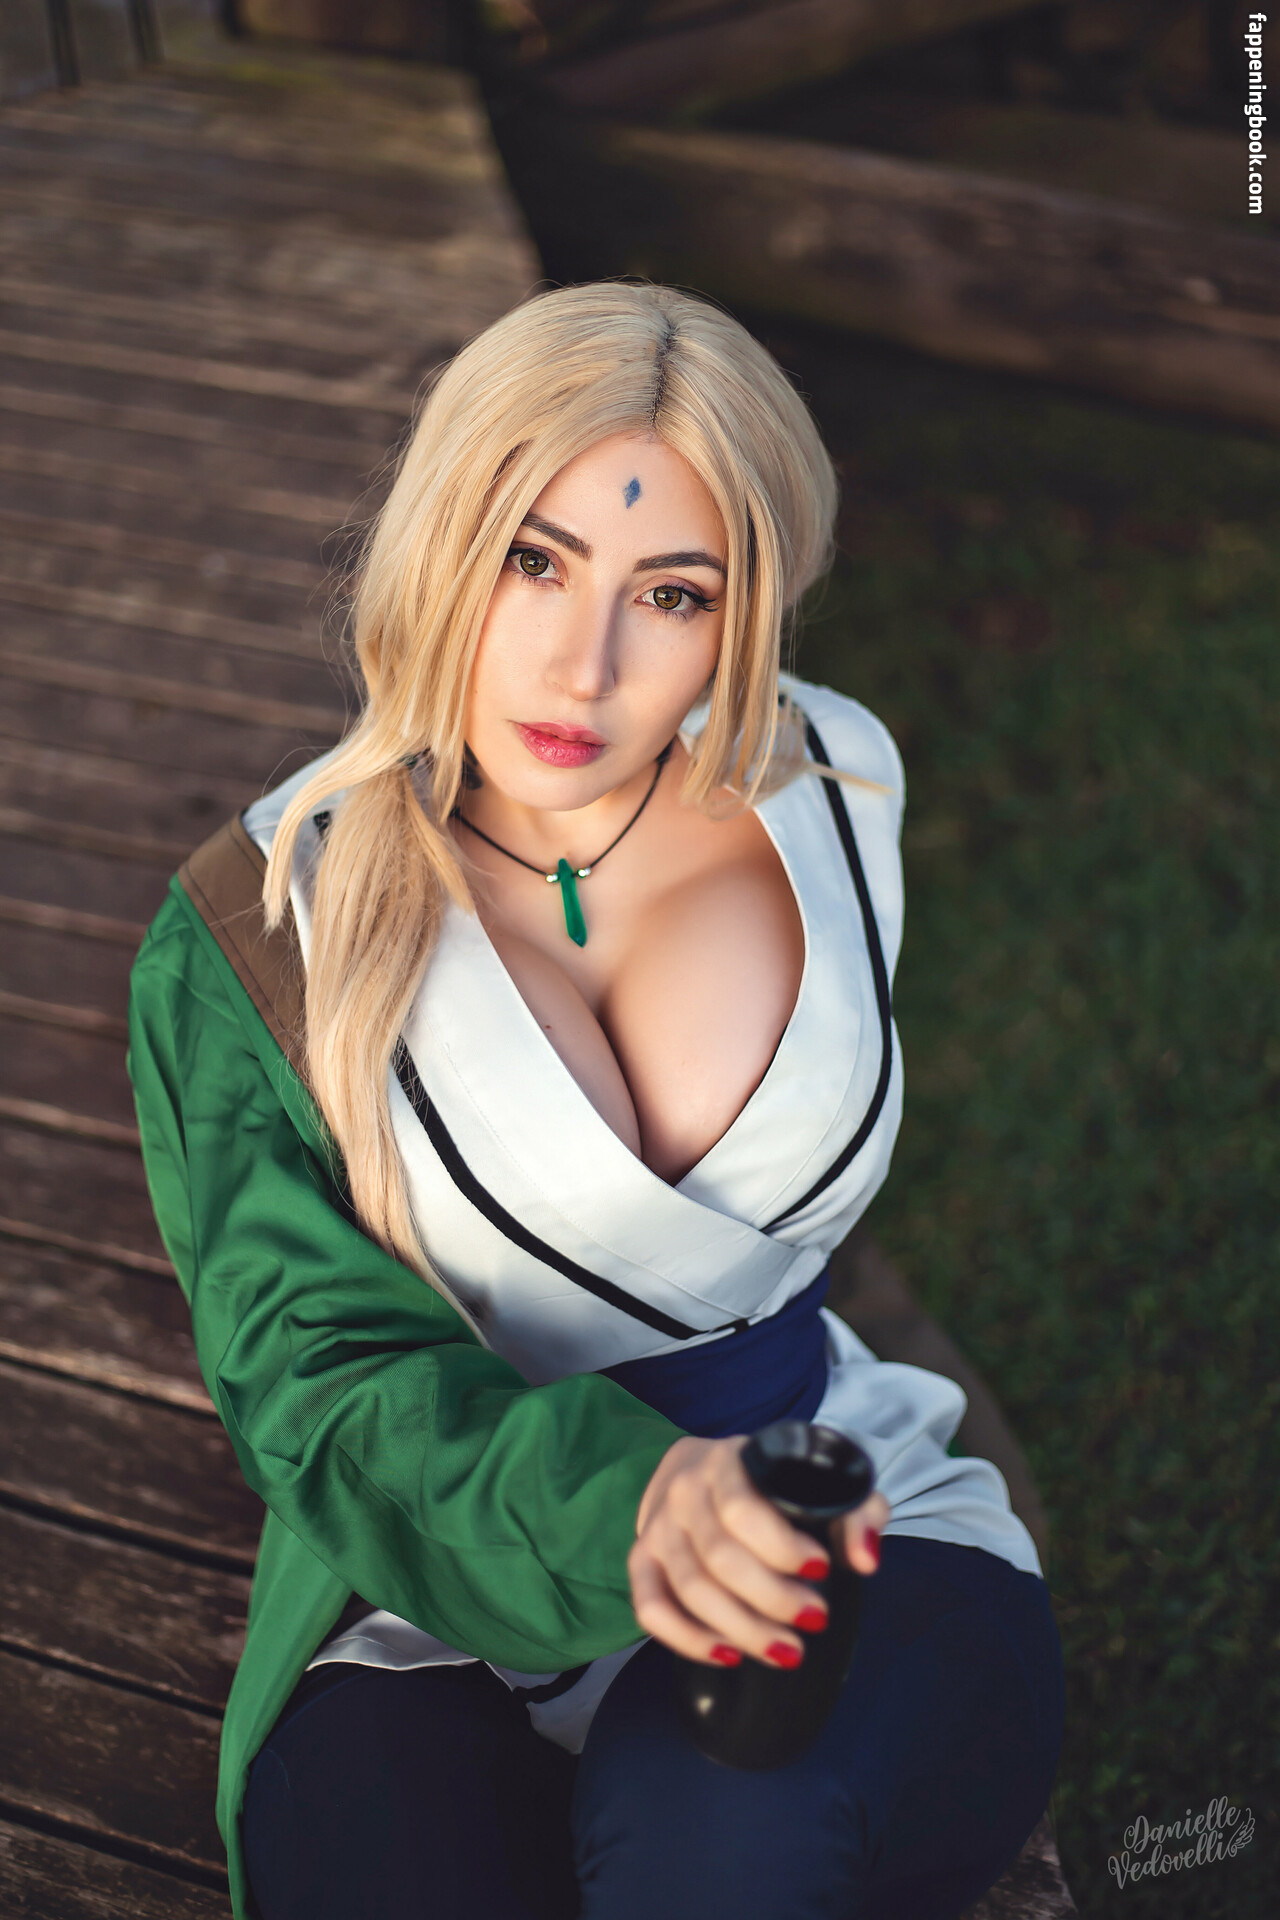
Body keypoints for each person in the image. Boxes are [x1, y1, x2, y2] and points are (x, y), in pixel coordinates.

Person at [127, 281, 1064, 1920]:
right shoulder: (256, 931)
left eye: (673, 593)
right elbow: (314, 1382)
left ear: (746, 613)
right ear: (440, 538)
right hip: (433, 1577)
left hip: (839, 1502)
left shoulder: (832, 783)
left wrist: (732, 1490)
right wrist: (630, 1499)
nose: (586, 664)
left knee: (724, 1827)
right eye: (533, 559)